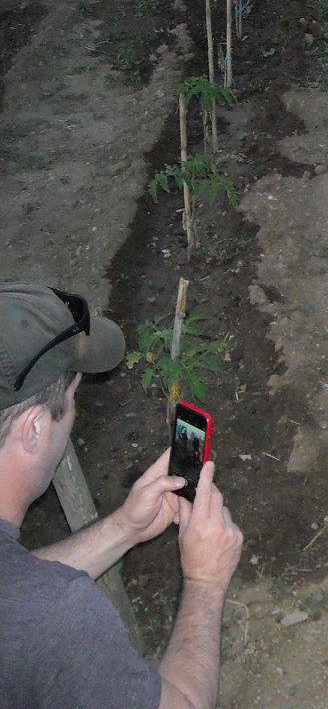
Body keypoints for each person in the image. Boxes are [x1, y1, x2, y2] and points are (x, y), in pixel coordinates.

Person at [0, 283, 244, 709]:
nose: (73, 416)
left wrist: (123, 528)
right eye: (73, 399)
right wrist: (206, 581)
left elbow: (15, 588)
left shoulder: (30, 602)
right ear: (35, 428)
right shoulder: (59, 619)